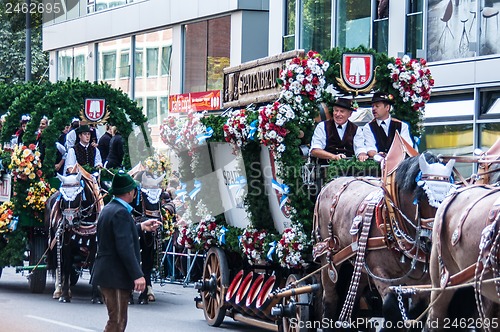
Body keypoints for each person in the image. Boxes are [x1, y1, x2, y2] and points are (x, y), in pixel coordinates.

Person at [90, 171, 161, 332]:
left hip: (109, 274)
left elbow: (117, 235)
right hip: (115, 276)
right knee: (117, 322)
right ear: (130, 192)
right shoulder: (121, 213)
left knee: (116, 321)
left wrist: (141, 227)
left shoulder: (110, 209)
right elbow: (124, 247)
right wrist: (138, 274)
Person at [358, 91, 413, 160]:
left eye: (377, 106)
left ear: (387, 107)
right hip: (378, 165)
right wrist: (377, 155)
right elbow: (370, 147)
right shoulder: (368, 127)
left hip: (399, 163)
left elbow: (407, 146)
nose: (373, 109)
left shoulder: (401, 125)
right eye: (372, 106)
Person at [310, 97, 367, 163]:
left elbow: (360, 147)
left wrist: (362, 154)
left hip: (350, 169)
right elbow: (315, 150)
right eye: (336, 110)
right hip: (326, 168)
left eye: (342, 111)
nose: (338, 114)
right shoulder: (322, 126)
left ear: (350, 114)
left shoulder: (356, 129)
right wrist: (333, 157)